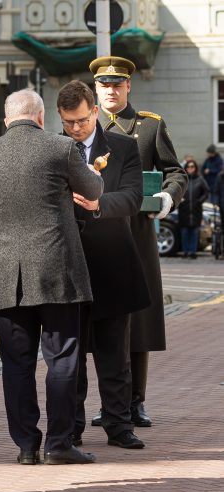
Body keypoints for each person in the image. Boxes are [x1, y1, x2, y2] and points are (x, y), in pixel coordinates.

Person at [0, 89, 103, 466]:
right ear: (42, 117)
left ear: (6, 120)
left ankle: (26, 446)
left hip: (4, 276)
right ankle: (59, 443)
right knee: (62, 358)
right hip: (56, 270)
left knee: (16, 365)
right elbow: (93, 190)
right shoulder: (60, 149)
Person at [90, 56, 188, 427]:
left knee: (138, 322)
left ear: (128, 86)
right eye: (104, 85)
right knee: (99, 321)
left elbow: (175, 172)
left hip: (138, 235)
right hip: (96, 237)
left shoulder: (148, 127)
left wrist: (167, 197)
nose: (111, 91)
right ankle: (108, 403)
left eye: (117, 84)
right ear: (96, 89)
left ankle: (136, 401)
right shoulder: (84, 126)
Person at [57, 80, 150, 449]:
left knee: (115, 353)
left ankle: (118, 424)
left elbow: (133, 197)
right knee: (71, 356)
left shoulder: (124, 146)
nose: (75, 129)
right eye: (67, 122)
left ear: (94, 111)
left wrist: (99, 205)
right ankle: (72, 428)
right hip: (68, 263)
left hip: (113, 262)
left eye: (80, 120)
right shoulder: (56, 149)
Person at [178, 160, 209, 259]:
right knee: (184, 232)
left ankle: (193, 252)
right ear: (186, 168)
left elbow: (206, 192)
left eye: (192, 166)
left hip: (196, 210)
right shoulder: (182, 179)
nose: (190, 168)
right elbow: (176, 191)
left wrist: (199, 201)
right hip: (184, 210)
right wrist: (179, 200)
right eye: (188, 167)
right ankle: (186, 252)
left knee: (195, 232)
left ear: (195, 168)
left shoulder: (200, 179)